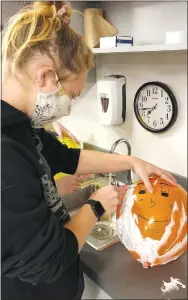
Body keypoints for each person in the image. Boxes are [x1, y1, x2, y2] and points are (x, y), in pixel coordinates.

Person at [1, 2, 177, 300]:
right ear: (44, 77)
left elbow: (71, 158)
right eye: (71, 95)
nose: (67, 109)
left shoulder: (22, 127)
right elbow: (46, 262)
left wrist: (132, 161)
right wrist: (94, 207)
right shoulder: (5, 150)